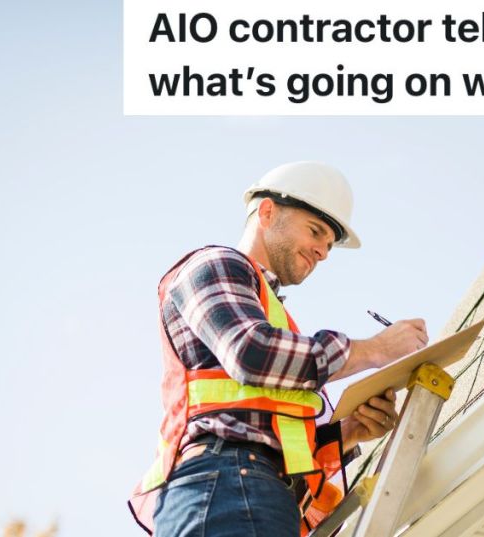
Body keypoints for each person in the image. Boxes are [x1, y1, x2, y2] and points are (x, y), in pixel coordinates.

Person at [128, 162, 429, 536]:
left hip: (248, 488)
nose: (323, 252)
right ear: (267, 212)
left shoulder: (273, 314)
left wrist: (348, 431)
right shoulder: (215, 265)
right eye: (316, 231)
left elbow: (267, 426)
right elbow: (249, 353)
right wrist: (376, 349)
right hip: (226, 481)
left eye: (330, 245)